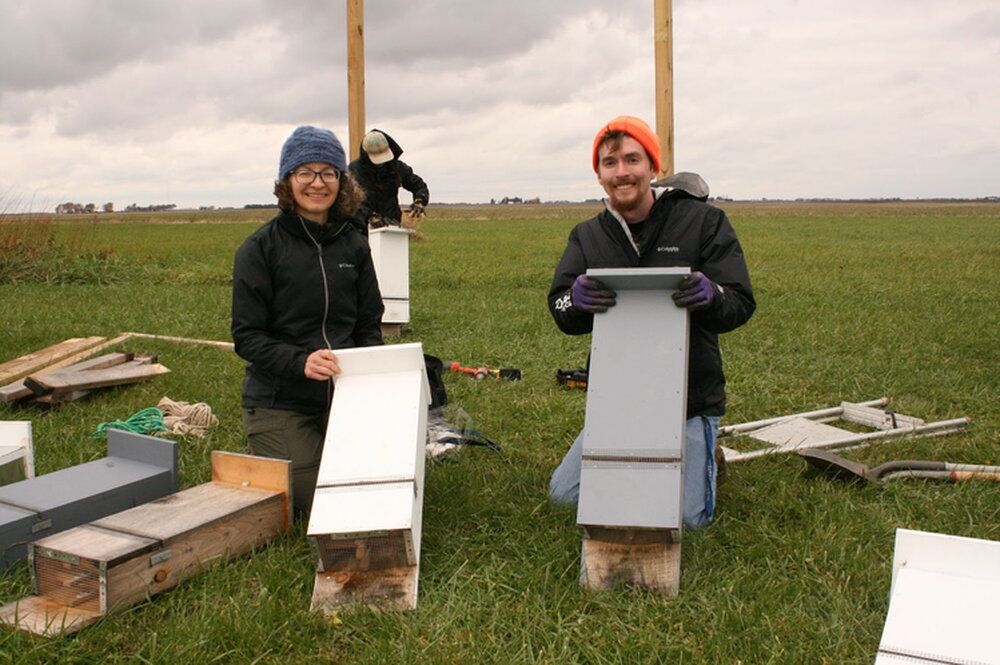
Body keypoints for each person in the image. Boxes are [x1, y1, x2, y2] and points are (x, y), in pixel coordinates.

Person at [547, 115, 755, 530]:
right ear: (600, 175)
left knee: (684, 519)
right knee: (565, 496)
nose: (622, 172)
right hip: (618, 399)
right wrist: (577, 300)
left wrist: (711, 296)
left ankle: (705, 452)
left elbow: (740, 302)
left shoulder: (703, 222)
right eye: (610, 163)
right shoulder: (588, 236)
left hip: (690, 401)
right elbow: (560, 307)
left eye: (632, 159)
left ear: (652, 167)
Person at [231, 125, 385, 516]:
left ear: (341, 180)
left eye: (328, 172)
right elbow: (247, 336)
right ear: (287, 181)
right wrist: (300, 361)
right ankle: (266, 442)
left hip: (345, 392)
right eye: (306, 172)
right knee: (312, 499)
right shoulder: (259, 249)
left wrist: (374, 382)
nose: (318, 183)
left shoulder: (354, 243)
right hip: (281, 398)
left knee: (375, 483)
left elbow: (369, 322)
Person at [348, 129, 429, 230]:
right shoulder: (355, 171)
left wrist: (420, 201)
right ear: (366, 155)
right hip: (363, 230)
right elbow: (351, 201)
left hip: (392, 225)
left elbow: (418, 186)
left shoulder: (396, 167)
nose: (380, 163)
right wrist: (370, 216)